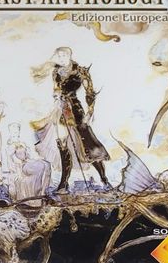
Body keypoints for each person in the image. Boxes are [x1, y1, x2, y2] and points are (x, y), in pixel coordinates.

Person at [31, 47, 111, 193]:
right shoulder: (56, 71)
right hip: (61, 110)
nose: (61, 59)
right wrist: (57, 96)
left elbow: (90, 93)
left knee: (88, 144)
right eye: (59, 56)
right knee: (62, 144)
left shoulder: (80, 71)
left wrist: (90, 112)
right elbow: (56, 89)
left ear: (69, 55)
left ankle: (104, 179)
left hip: (76, 110)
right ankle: (63, 184)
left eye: (63, 56)